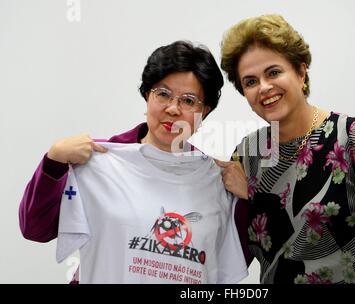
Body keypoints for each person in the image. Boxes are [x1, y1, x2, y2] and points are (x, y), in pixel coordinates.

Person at [217, 14, 355, 284]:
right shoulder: (249, 153)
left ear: (301, 71)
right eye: (250, 81)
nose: (264, 88)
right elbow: (229, 249)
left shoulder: (354, 139)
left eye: (274, 72)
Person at [19, 40, 248, 284]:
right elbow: (35, 229)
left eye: (189, 101)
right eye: (163, 94)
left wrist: (245, 201)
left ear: (205, 112)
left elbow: (227, 268)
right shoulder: (98, 162)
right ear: (147, 95)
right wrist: (54, 162)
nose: (173, 108)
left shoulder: (215, 181)